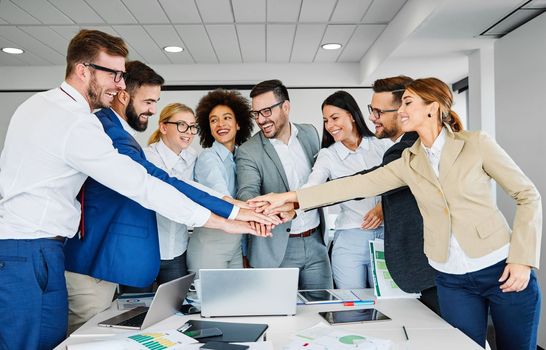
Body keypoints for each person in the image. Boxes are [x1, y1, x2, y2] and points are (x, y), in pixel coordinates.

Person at [0, 28, 268, 349]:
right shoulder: (74, 120)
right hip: (25, 248)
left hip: (45, 249)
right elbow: (142, 184)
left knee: (54, 343)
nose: (119, 85)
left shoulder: (47, 106)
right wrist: (225, 219)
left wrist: (231, 209)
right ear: (83, 70)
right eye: (113, 75)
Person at [252, 77, 542, 350]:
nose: (400, 110)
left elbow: (527, 195)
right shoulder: (409, 160)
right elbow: (357, 183)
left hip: (501, 268)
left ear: (433, 109)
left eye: (408, 103)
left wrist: (522, 259)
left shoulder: (476, 144)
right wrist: (291, 198)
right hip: (451, 278)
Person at [63, 60, 278, 332]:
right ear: (124, 95)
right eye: (149, 102)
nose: (152, 110)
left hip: (124, 258)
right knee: (91, 337)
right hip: (96, 261)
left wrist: (234, 207)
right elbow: (162, 185)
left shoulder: (119, 132)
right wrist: (230, 218)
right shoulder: (109, 133)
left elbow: (177, 184)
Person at [236, 79, 333, 290]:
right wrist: (274, 207)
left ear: (286, 107)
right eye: (256, 113)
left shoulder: (309, 133)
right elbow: (248, 195)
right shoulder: (248, 151)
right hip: (276, 249)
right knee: (278, 318)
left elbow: (321, 182)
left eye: (267, 111)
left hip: (316, 241)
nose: (261, 120)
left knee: (323, 309)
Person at [362, 76, 439, 313]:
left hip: (431, 270)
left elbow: (363, 183)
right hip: (430, 270)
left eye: (378, 111)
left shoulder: (406, 150)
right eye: (371, 110)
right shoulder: (413, 145)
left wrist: (294, 199)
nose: (373, 117)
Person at [305, 90, 389, 289]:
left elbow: (403, 184)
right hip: (350, 241)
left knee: (391, 304)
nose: (330, 126)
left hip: (387, 237)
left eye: (335, 118)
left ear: (352, 115)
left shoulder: (382, 146)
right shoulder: (328, 155)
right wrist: (290, 201)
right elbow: (312, 186)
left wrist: (382, 208)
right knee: (353, 306)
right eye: (326, 120)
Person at [187, 89, 255, 273]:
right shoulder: (208, 158)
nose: (220, 124)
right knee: (211, 302)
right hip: (210, 247)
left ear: (238, 123)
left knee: (235, 301)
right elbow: (222, 198)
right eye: (213, 120)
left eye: (226, 118)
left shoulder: (242, 156)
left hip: (235, 245)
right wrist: (261, 212)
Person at [143, 103, 200, 286]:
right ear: (163, 127)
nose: (189, 131)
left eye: (192, 126)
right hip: (144, 251)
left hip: (176, 251)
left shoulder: (192, 158)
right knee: (135, 309)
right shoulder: (145, 157)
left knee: (173, 309)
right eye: (182, 125)